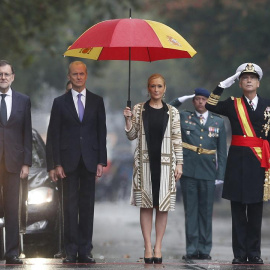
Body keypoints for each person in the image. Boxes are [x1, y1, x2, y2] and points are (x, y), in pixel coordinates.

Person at [205, 63, 269, 265]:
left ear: (258, 82)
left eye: (252, 78)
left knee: (256, 210)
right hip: (238, 162)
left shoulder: (268, 105)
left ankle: (255, 252)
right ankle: (240, 253)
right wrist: (222, 85)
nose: (248, 80)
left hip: (259, 161)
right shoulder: (233, 104)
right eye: (244, 78)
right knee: (239, 210)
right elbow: (210, 105)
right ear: (239, 82)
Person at [48, 61, 107, 264]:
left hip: (90, 160)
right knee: (69, 207)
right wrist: (55, 164)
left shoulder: (97, 101)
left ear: (87, 75)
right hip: (67, 162)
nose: (79, 77)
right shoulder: (59, 102)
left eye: (82, 74)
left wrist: (101, 160)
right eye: (75, 74)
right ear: (69, 76)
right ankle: (70, 251)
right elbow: (53, 134)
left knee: (87, 206)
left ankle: (85, 250)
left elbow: (102, 132)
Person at [123, 73, 183, 264]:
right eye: (152, 86)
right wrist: (128, 120)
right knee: (147, 206)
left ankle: (158, 246)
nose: (156, 90)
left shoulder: (173, 112)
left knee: (162, 207)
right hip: (145, 164)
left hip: (166, 164)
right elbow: (131, 136)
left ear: (164, 89)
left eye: (159, 86)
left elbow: (177, 139)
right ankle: (148, 246)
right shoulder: (139, 109)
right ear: (148, 88)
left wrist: (179, 163)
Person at [170, 88, 227, 260]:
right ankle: (191, 249)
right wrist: (181, 98)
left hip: (209, 172)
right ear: (193, 101)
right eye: (197, 99)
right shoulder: (184, 117)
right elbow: (168, 110)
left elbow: (222, 152)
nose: (201, 102)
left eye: (204, 99)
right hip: (188, 170)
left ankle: (205, 249)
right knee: (191, 211)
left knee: (206, 211)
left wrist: (220, 174)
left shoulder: (218, 122)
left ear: (209, 101)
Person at [0, 60, 32, 264]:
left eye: (6, 74)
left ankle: (12, 253)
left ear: (13, 77)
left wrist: (26, 162)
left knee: (13, 209)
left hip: (14, 162)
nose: (2, 77)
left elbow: (26, 132)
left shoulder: (23, 100)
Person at [46, 80, 72, 259]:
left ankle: (82, 246)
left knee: (81, 209)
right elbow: (51, 137)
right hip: (63, 166)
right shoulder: (59, 106)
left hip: (82, 166)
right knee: (64, 208)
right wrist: (52, 166)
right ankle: (64, 247)